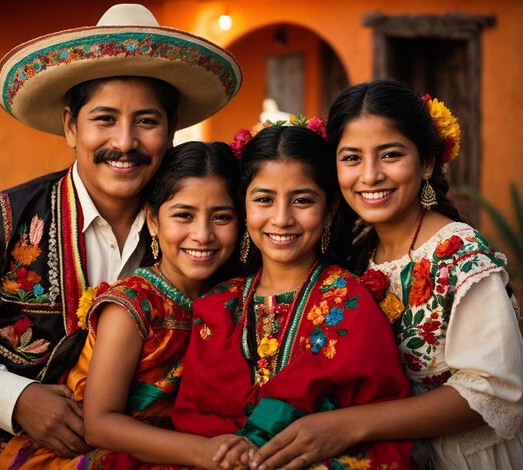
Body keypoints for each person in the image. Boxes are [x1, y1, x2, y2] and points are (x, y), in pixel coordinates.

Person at [0, 3, 242, 468]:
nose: (124, 142)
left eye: (147, 121)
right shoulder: (1, 221)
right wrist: (14, 399)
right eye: (104, 119)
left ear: (171, 131)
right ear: (71, 125)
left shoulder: (197, 234)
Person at [249, 80, 523, 470]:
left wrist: (348, 426)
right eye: (351, 158)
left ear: (427, 162)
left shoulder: (459, 256)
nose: (370, 175)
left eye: (390, 155)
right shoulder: (359, 251)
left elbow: (494, 391)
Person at [172, 122, 414, 469]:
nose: (282, 218)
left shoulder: (352, 303)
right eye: (264, 200)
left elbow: (383, 432)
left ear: (329, 209)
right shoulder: (217, 305)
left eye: (302, 200)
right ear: (243, 206)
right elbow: (191, 421)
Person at [0, 140, 241, 469]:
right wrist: (202, 452)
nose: (202, 234)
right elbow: (100, 424)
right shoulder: (133, 306)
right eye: (184, 215)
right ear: (152, 220)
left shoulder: (234, 296)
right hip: (109, 454)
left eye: (221, 217)